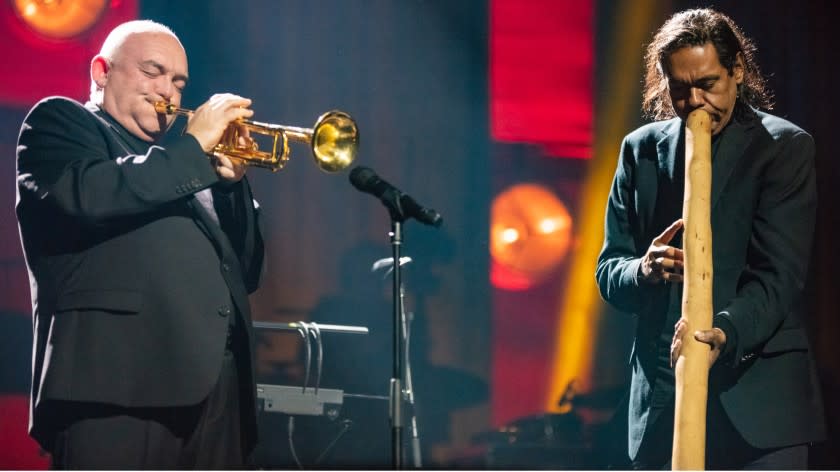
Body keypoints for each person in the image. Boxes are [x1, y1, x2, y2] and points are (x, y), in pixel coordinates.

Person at [15, 20, 265, 469]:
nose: (168, 92)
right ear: (101, 72)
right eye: (153, 71)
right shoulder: (59, 123)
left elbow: (246, 272)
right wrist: (193, 150)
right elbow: (89, 195)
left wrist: (231, 186)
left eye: (178, 81)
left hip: (215, 395)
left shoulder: (186, 167)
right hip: (116, 388)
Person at [595, 8, 825, 469]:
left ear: (737, 69)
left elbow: (779, 275)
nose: (695, 102)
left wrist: (724, 331)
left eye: (708, 84)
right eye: (680, 89)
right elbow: (608, 270)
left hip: (759, 403)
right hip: (663, 400)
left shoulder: (783, 147)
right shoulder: (639, 150)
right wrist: (642, 268)